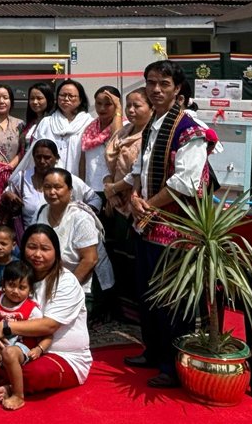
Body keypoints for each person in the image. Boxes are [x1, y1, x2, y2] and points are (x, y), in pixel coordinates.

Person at [112, 60, 216, 388]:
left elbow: (187, 182)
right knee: (148, 292)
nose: (156, 90)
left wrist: (147, 205)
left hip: (175, 229)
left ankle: (175, 364)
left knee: (174, 300)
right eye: (151, 83)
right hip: (147, 223)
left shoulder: (190, 128)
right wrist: (128, 192)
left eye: (164, 84)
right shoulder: (155, 122)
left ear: (178, 88)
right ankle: (154, 351)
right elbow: (142, 169)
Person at [0, 224, 93, 403]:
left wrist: (5, 326)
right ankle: (4, 375)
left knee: (34, 373)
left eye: (45, 249)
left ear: (56, 252)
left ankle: (10, 382)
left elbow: (49, 325)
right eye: (32, 247)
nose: (37, 254)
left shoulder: (66, 281)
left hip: (63, 356)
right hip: (20, 347)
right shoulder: (22, 275)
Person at [0, 261, 53, 408]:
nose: (15, 291)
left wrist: (39, 349)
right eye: (11, 285)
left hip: (20, 349)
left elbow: (47, 333)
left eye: (22, 288)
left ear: (30, 289)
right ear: (3, 283)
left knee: (9, 352)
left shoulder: (31, 309)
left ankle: (18, 395)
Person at [34, 168, 115, 298]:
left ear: (70, 190)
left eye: (57, 187)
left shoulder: (81, 217)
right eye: (47, 187)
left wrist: (65, 292)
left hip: (84, 284)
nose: (51, 192)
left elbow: (90, 260)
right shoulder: (42, 212)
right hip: (53, 279)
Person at [8, 139, 94, 229]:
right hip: (29, 237)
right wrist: (7, 196)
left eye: (47, 157)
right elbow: (5, 196)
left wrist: (80, 215)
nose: (42, 161)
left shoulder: (65, 178)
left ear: (56, 158)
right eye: (38, 157)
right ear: (33, 157)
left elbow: (95, 199)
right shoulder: (23, 178)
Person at [20, 79, 92, 178]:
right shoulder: (46, 122)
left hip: (80, 181)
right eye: (62, 95)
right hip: (49, 182)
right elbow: (34, 156)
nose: (66, 99)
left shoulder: (89, 124)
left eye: (71, 96)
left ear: (80, 100)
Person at [80, 86, 123, 195]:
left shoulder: (125, 126)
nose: (102, 108)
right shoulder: (89, 128)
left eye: (108, 104)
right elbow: (83, 160)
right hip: (90, 188)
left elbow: (116, 139)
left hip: (114, 190)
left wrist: (118, 109)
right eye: (98, 103)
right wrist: (81, 185)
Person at [0, 84, 25, 167]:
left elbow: (23, 150)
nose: (1, 101)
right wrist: (1, 167)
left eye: (5, 98)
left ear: (11, 101)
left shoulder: (20, 124)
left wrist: (10, 166)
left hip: (15, 173)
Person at [21, 83, 54, 153]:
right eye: (32, 98)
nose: (35, 102)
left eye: (39, 98)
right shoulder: (31, 123)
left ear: (48, 100)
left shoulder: (52, 122)